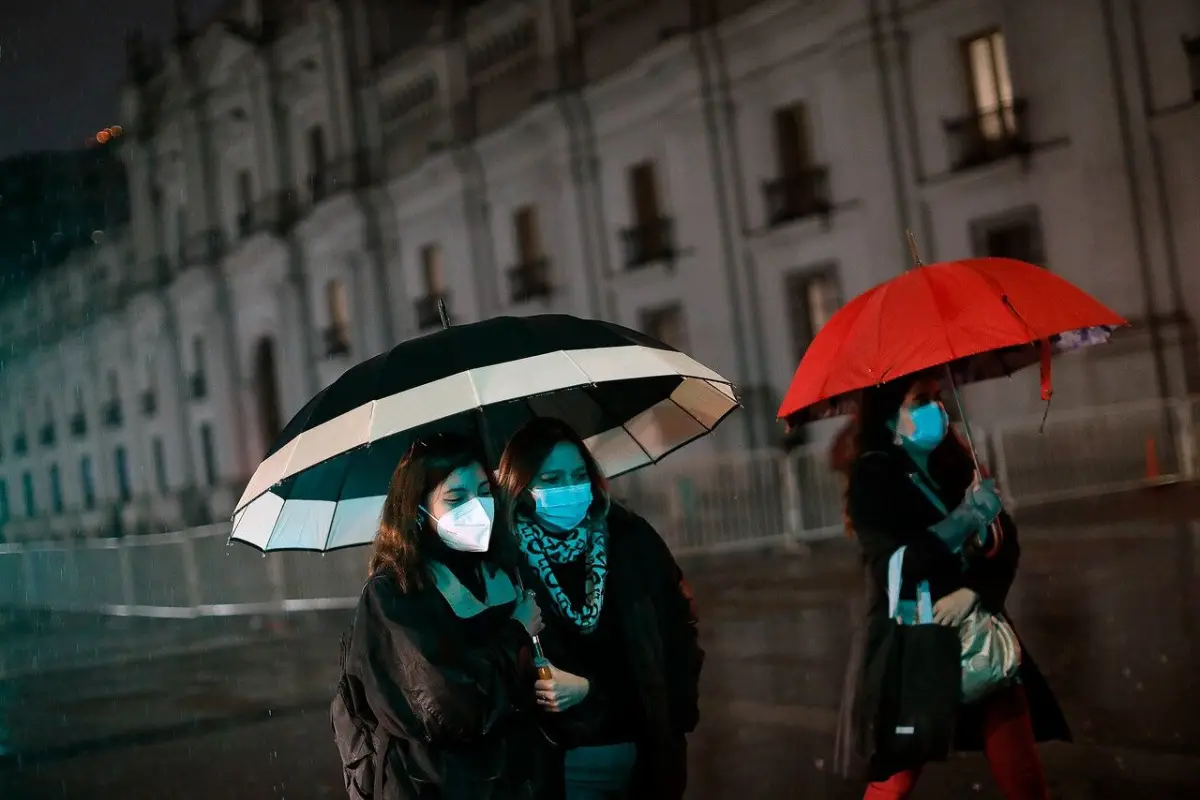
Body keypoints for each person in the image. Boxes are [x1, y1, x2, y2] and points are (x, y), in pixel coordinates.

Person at [830, 372, 1070, 799]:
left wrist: (976, 590)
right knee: (894, 781)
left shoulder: (956, 461)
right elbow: (895, 567)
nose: (936, 411)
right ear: (890, 416)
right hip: (919, 646)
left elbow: (1005, 544)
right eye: (920, 401)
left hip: (982, 641)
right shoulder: (875, 479)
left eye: (939, 398)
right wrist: (963, 521)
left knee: (1024, 776)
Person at [495, 417, 703, 800]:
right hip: (557, 766)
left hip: (645, 749)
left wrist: (675, 715)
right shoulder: (504, 565)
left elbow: (678, 628)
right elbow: (491, 675)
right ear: (521, 489)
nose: (570, 489)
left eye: (578, 475)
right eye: (552, 480)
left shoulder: (630, 538)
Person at [342, 433, 550, 799]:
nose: (479, 506)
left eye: (485, 491)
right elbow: (449, 709)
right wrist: (517, 629)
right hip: (435, 787)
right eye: (456, 498)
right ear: (417, 510)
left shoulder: (502, 571)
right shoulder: (394, 593)